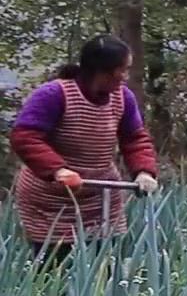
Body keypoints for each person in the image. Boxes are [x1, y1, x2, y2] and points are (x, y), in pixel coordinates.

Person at [8, 34, 159, 257]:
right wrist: (58, 170)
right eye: (122, 69)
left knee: (104, 267)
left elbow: (134, 138)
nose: (126, 76)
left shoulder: (123, 97)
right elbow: (25, 136)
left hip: (101, 196)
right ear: (102, 70)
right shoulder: (54, 95)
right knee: (54, 266)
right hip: (52, 199)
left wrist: (144, 171)